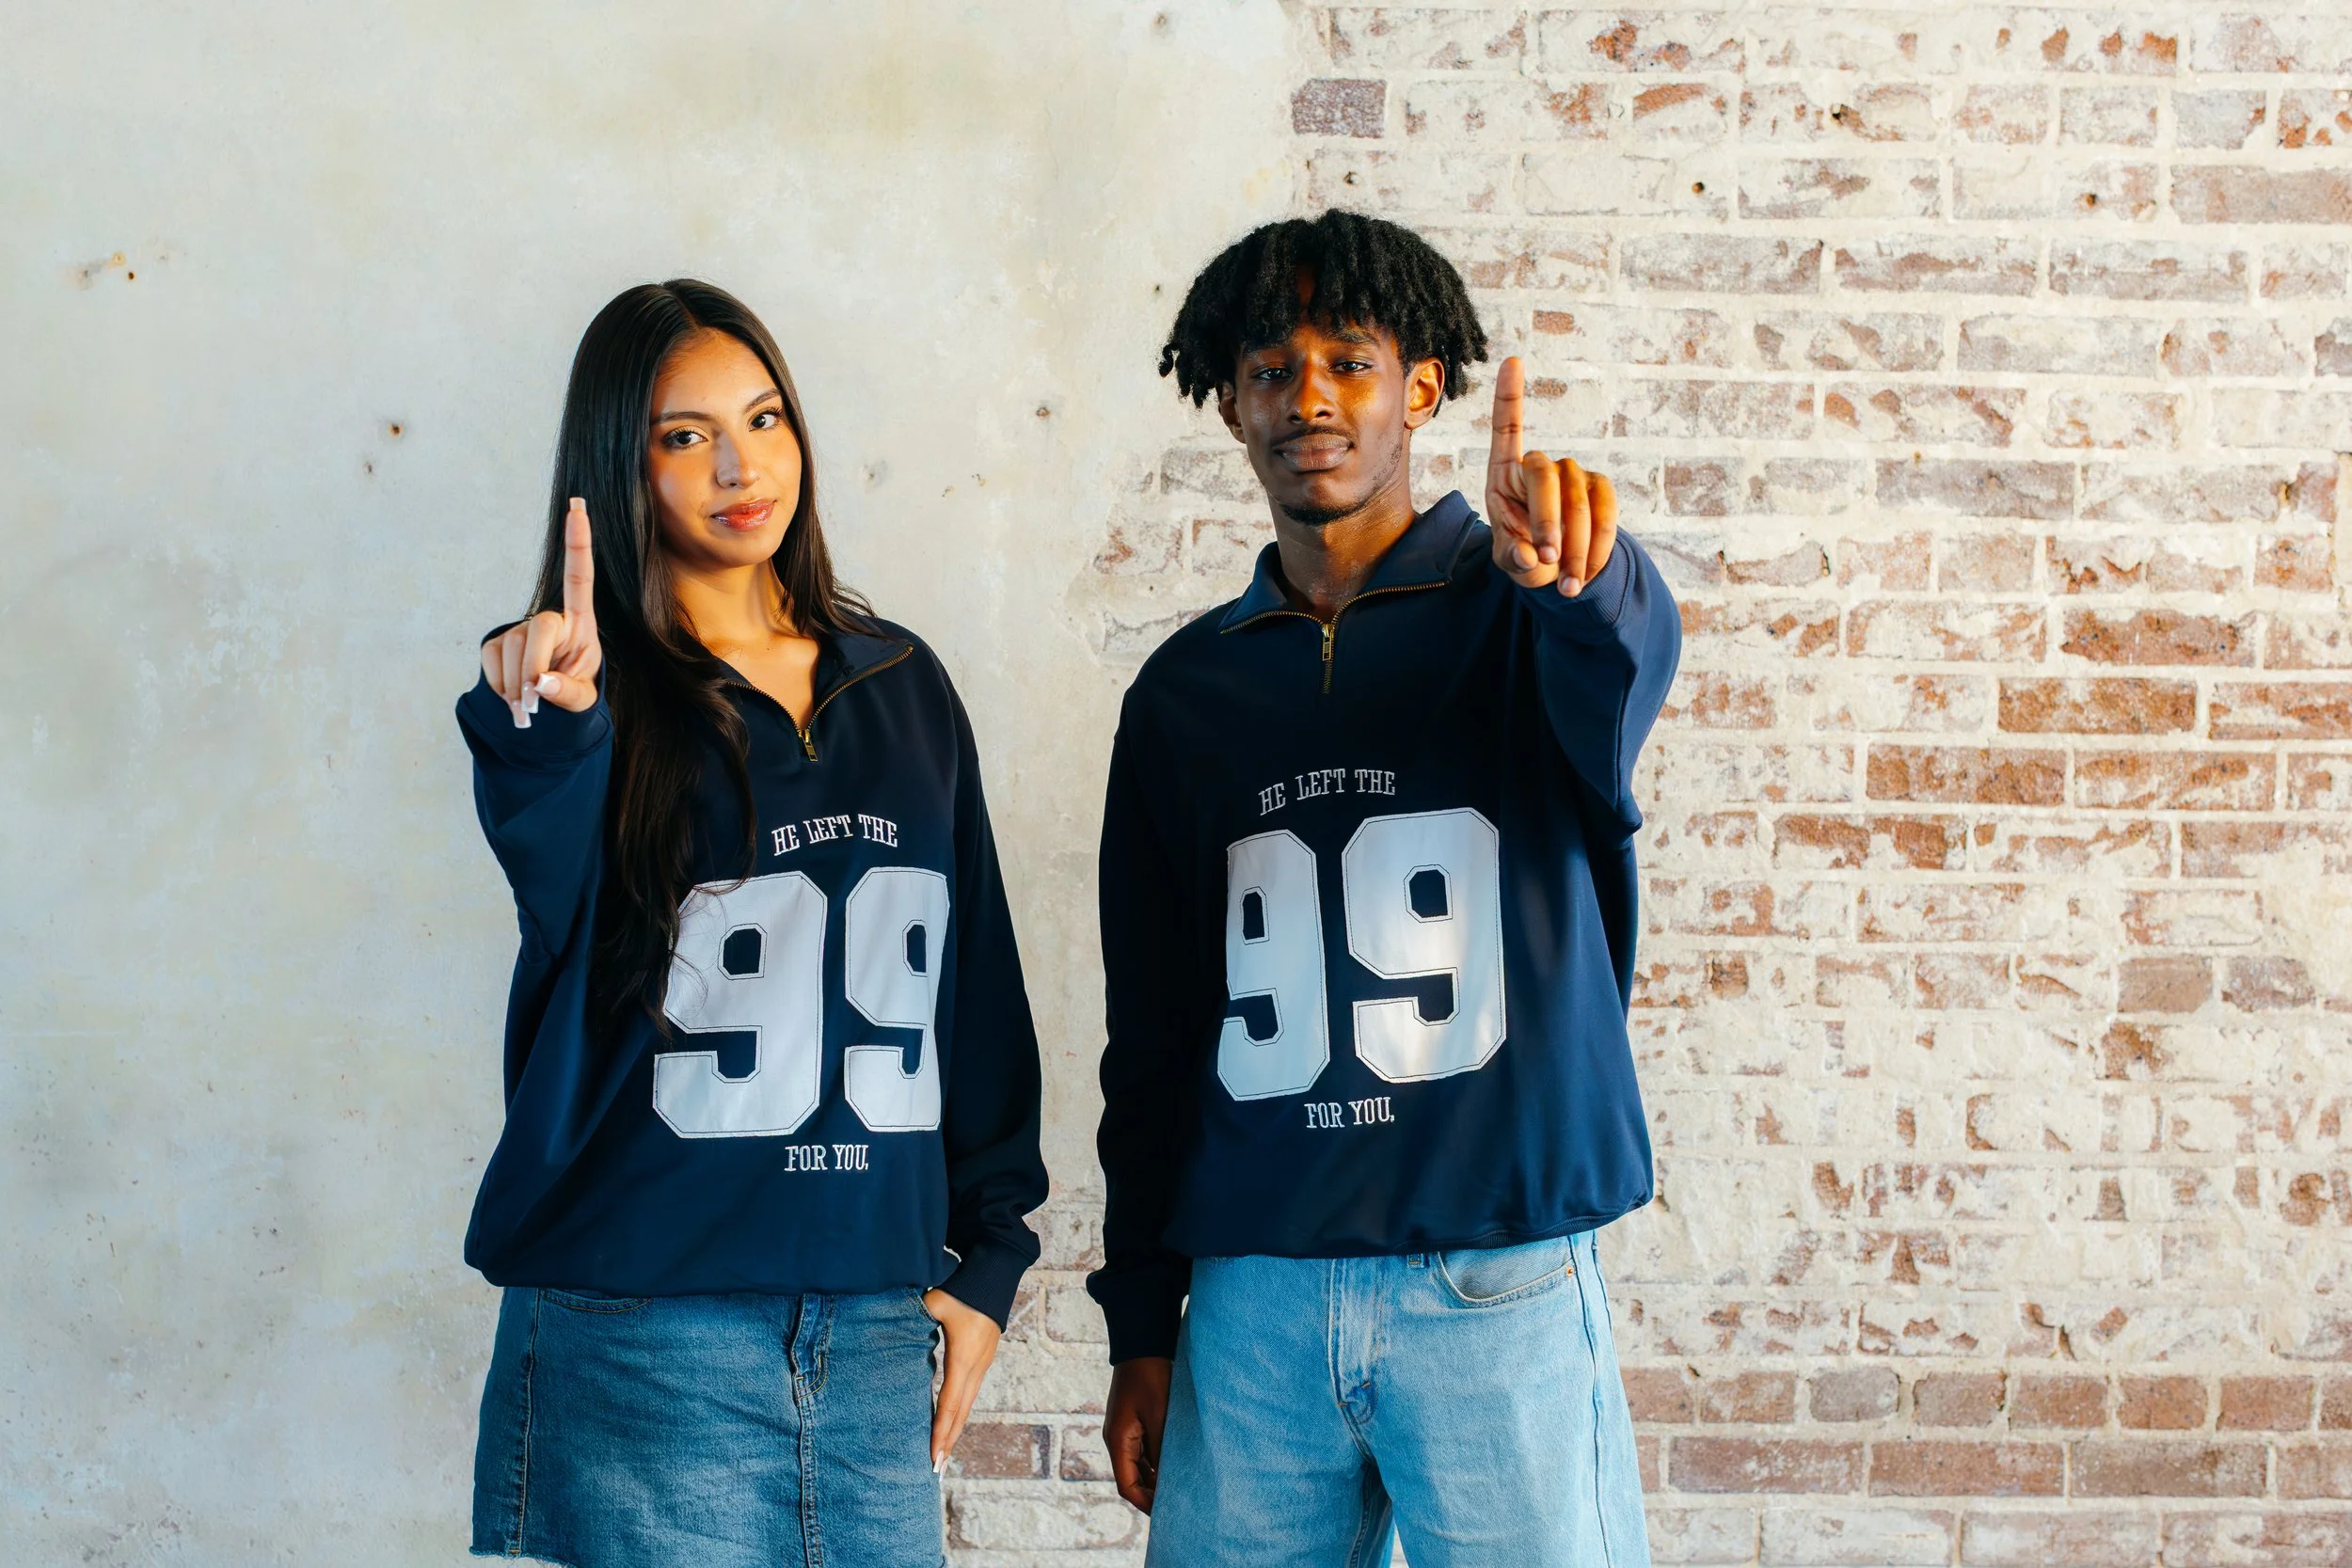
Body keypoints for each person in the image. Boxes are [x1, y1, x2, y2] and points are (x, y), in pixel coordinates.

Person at [1089, 210, 1679, 1566]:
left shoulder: (1525, 611)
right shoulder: (1185, 696)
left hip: (1494, 1274)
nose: (1309, 395)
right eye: (1272, 365)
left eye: (1348, 359)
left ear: (1420, 386)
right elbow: (1158, 1035)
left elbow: (1621, 659)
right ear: (1228, 402)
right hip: (1253, 1300)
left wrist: (1587, 580)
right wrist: (1141, 1318)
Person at [456, 279, 1045, 1568]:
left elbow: (976, 993)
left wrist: (992, 1260)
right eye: (683, 435)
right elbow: (547, 874)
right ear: (621, 464)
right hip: (649, 1345)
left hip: (876, 1340)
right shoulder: (585, 702)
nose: (740, 463)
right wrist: (547, 724)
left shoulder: (901, 682)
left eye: (765, 417)